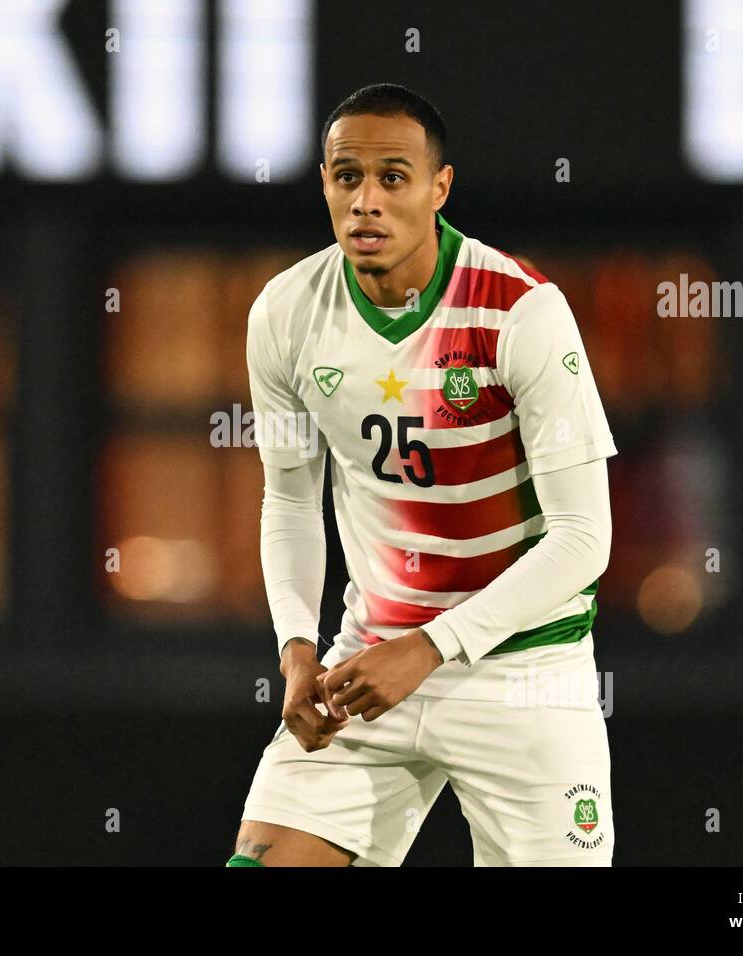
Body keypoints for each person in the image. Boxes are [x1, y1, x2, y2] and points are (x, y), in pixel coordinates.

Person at [227, 83, 618, 867]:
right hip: (367, 667)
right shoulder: (286, 313)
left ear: (440, 189)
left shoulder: (521, 311)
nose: (365, 200)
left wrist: (432, 648)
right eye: (346, 177)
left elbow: (584, 539)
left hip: (523, 671)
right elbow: (291, 498)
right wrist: (298, 647)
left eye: (393, 178)